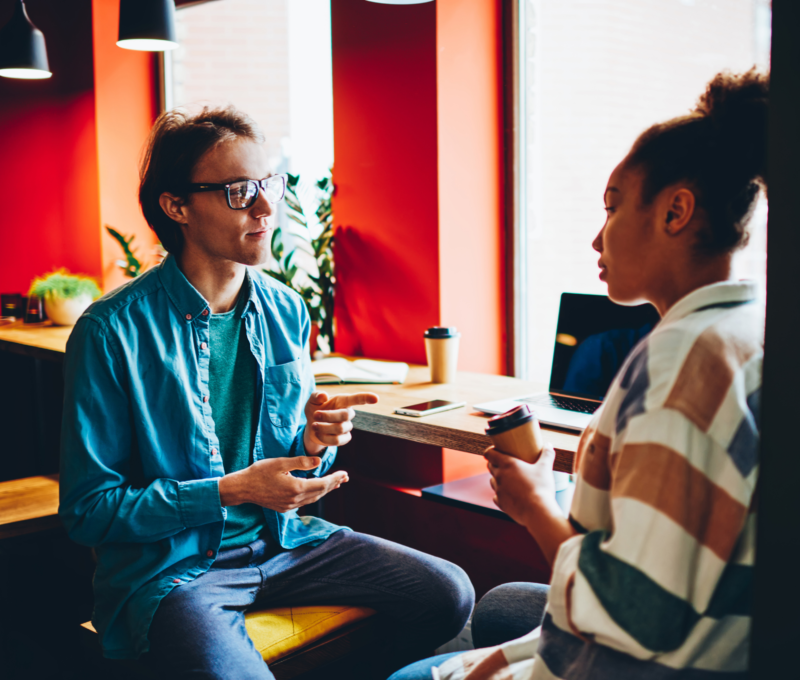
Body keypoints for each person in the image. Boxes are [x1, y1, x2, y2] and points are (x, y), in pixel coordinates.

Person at [58, 106, 474, 679]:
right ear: (176, 206)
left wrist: (314, 441)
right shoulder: (110, 332)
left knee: (448, 593)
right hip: (179, 570)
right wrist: (229, 491)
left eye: (267, 184)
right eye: (239, 191)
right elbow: (89, 512)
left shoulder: (285, 309)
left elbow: (291, 463)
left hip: (288, 544)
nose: (265, 207)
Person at [390, 69, 767, 680]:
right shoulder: (750, 327)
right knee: (499, 608)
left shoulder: (683, 361)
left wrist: (536, 506)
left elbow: (636, 613)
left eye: (612, 207)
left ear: (676, 211)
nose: (597, 238)